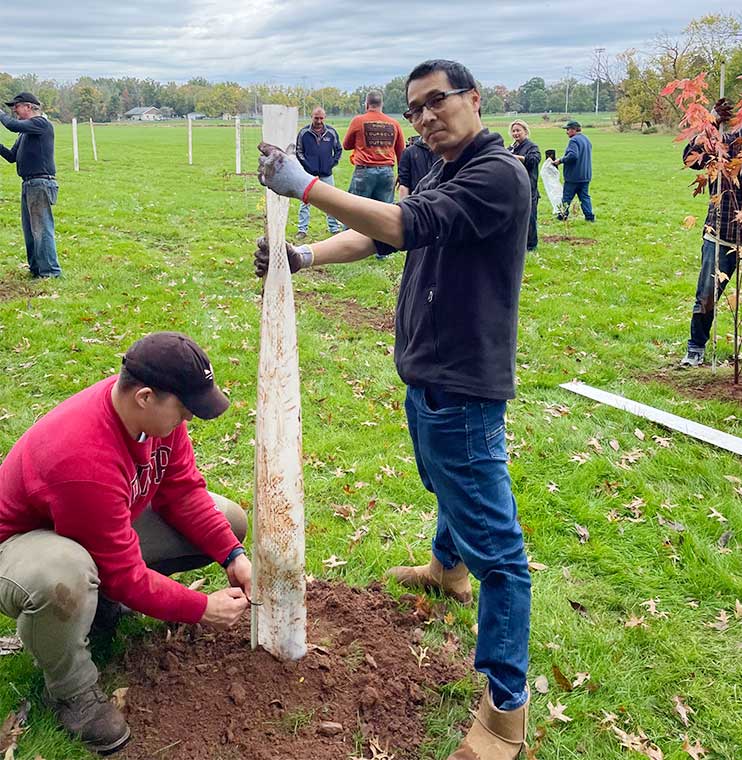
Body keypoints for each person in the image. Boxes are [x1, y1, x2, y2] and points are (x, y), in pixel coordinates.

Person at [257, 58, 531, 760]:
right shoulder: (440, 165)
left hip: (464, 384)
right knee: (447, 483)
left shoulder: (498, 173)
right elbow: (382, 233)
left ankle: (507, 713)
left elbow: (409, 224)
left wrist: (309, 186)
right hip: (428, 372)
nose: (426, 116)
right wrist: (305, 256)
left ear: (474, 98)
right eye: (415, 108)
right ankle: (447, 569)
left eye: (438, 101)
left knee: (501, 555)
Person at [0, 332, 251, 753]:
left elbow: (184, 492)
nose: (187, 419)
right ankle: (72, 694)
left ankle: (95, 607)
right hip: (20, 547)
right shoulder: (83, 457)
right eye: (184, 410)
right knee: (65, 575)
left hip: (90, 527)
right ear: (145, 397)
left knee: (228, 520)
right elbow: (122, 575)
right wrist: (202, 609)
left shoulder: (155, 421)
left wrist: (232, 554)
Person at [680, 99, 742, 374]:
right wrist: (712, 121)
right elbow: (691, 158)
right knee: (706, 296)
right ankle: (696, 348)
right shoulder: (723, 143)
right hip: (721, 234)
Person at [0, 92, 63, 278]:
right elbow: (12, 157)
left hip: (40, 183)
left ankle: (51, 272)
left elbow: (11, 125)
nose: (14, 111)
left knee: (42, 230)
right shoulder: (25, 132)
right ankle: (36, 270)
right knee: (30, 231)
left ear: (28, 107)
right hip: (29, 184)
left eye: (16, 107)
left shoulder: (41, 123)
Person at [343, 90, 405, 203]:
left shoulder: (358, 121)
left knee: (357, 209)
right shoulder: (394, 123)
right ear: (382, 105)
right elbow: (401, 152)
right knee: (384, 211)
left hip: (364, 171)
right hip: (387, 172)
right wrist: (402, 174)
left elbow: (346, 145)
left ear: (366, 104)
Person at [295, 107, 342, 238]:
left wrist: (332, 163)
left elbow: (338, 150)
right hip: (308, 174)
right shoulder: (304, 133)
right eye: (316, 118)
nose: (319, 121)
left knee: (331, 201)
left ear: (325, 118)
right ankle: (302, 230)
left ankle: (334, 228)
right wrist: (308, 168)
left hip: (327, 174)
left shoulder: (331, 132)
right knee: (305, 202)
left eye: (321, 118)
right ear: (312, 117)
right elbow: (299, 152)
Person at [508, 119, 541, 250]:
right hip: (515, 187)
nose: (516, 133)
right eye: (513, 131)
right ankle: (518, 242)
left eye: (518, 130)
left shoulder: (532, 147)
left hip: (529, 187)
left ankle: (531, 245)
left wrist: (517, 158)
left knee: (530, 217)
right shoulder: (512, 147)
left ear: (525, 132)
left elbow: (534, 160)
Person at [553, 119, 594, 222]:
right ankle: (589, 217)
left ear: (574, 130)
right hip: (585, 175)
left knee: (566, 198)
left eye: (568, 129)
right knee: (585, 197)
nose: (566, 132)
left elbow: (573, 156)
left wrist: (560, 160)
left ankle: (562, 216)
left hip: (573, 176)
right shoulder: (586, 139)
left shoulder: (573, 140)